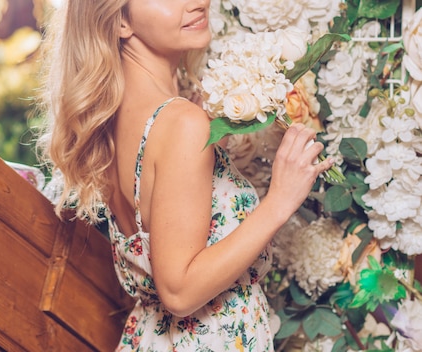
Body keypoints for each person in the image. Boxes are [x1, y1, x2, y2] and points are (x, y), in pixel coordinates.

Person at [35, 0, 334, 350]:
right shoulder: (180, 124)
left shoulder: (116, 121)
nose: (197, 2)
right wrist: (279, 202)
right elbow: (178, 291)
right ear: (121, 23)